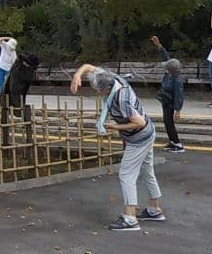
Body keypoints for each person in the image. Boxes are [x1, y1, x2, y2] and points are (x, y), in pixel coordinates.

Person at [70, 63, 164, 231]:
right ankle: (154, 209)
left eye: (96, 89)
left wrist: (115, 127)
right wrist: (78, 75)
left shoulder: (122, 99)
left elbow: (139, 123)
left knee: (126, 174)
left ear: (105, 89)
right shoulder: (111, 77)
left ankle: (130, 218)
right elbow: (88, 66)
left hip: (139, 137)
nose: (95, 91)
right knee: (147, 170)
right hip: (148, 133)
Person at [150, 36, 186, 152]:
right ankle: (172, 141)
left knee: (169, 122)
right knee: (167, 122)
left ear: (171, 70)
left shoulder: (176, 80)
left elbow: (179, 96)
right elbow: (166, 58)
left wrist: (178, 110)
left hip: (170, 103)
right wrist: (159, 45)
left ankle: (177, 144)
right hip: (165, 100)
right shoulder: (170, 72)